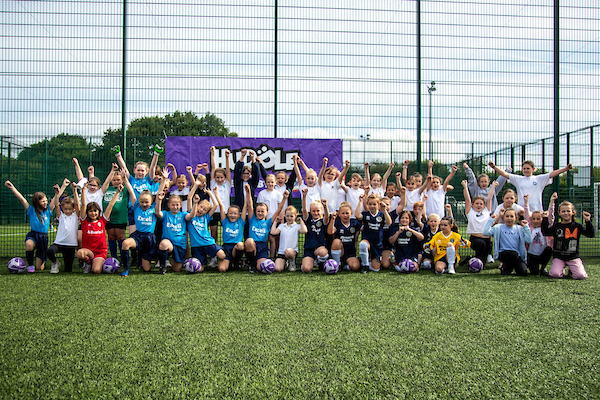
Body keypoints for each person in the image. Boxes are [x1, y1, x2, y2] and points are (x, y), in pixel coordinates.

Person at [119, 169, 168, 276]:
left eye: (146, 202)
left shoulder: (154, 208)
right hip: (138, 236)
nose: (144, 204)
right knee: (125, 243)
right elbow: (131, 191)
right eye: (142, 202)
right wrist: (124, 179)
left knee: (146, 269)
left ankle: (156, 264)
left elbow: (159, 193)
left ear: (151, 202)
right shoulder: (136, 207)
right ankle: (126, 269)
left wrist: (164, 179)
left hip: (150, 238)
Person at [489, 160, 573, 213]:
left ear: (533, 169)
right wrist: (494, 167)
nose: (526, 170)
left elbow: (552, 174)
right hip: (521, 210)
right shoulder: (518, 179)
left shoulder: (539, 179)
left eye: (528, 168)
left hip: (537, 210)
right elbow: (505, 174)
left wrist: (565, 169)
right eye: (524, 168)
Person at [5, 180, 52, 272]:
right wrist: (12, 187)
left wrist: (63, 186)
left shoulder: (48, 210)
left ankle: (42, 262)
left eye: (46, 200)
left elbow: (56, 197)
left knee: (39, 268)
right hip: (33, 234)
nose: (45, 203)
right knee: (29, 244)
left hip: (43, 238)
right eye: (43, 201)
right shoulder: (31, 210)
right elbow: (22, 199)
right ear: (37, 202)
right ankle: (30, 265)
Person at [541, 200, 594, 280]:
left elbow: (590, 234)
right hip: (559, 256)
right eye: (563, 211)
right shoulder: (557, 226)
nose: (566, 213)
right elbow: (546, 232)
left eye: (568, 211)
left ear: (572, 212)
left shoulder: (577, 226)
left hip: (573, 256)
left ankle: (571, 270)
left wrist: (588, 221)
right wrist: (545, 219)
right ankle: (561, 268)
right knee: (555, 274)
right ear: (559, 213)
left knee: (581, 276)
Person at [77, 182, 122, 274]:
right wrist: (83, 190)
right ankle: (88, 263)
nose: (93, 213)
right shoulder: (84, 221)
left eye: (95, 211)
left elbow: (110, 206)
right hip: (88, 251)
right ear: (87, 212)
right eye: (90, 211)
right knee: (79, 253)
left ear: (98, 212)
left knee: (97, 271)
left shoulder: (102, 221)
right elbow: (83, 205)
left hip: (100, 252)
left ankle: (97, 263)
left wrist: (117, 192)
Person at [244, 189, 288, 273]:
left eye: (262, 211)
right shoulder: (252, 219)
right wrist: (248, 192)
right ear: (255, 212)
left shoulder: (268, 222)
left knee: (261, 268)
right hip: (252, 246)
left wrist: (284, 198)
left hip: (262, 247)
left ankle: (256, 264)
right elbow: (250, 205)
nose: (260, 213)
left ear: (267, 212)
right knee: (249, 241)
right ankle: (251, 264)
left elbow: (279, 210)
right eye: (258, 211)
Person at [186, 182, 227, 272]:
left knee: (222, 255)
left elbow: (216, 205)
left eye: (204, 209)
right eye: (201, 207)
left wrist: (210, 193)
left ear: (206, 212)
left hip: (208, 243)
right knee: (200, 269)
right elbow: (189, 198)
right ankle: (195, 263)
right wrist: (196, 186)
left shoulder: (205, 217)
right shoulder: (191, 214)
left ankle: (217, 263)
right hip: (196, 246)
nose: (201, 210)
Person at [483, 209, 532, 276]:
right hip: (503, 253)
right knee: (512, 254)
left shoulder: (520, 228)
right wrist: (491, 220)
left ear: (516, 218)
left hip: (517, 255)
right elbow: (485, 232)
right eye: (507, 216)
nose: (509, 218)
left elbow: (529, 240)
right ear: (503, 217)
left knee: (523, 272)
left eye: (512, 216)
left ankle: (508, 268)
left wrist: (526, 227)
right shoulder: (498, 227)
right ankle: (506, 268)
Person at [155, 191, 194, 274]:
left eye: (177, 205)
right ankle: (162, 266)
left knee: (176, 269)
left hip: (180, 244)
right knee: (163, 244)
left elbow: (191, 216)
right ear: (169, 205)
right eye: (173, 205)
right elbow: (158, 213)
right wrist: (159, 200)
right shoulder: (166, 214)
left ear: (180, 205)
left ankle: (173, 260)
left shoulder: (183, 215)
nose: (175, 207)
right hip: (169, 243)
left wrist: (196, 203)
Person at [214, 185, 250, 272]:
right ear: (227, 213)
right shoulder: (225, 221)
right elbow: (221, 206)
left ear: (238, 215)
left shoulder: (240, 222)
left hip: (237, 247)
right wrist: (216, 193)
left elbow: (245, 207)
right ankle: (229, 263)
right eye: (230, 213)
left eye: (235, 213)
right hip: (226, 247)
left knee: (241, 245)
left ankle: (236, 262)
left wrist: (248, 193)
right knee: (222, 269)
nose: (232, 215)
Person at [47, 179, 79, 273]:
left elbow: (77, 204)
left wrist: (74, 191)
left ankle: (64, 265)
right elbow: (56, 205)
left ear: (73, 209)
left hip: (71, 245)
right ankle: (55, 262)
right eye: (65, 209)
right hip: (59, 243)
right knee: (49, 251)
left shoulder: (76, 216)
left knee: (68, 270)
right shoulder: (61, 216)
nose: (68, 211)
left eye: (70, 209)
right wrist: (57, 194)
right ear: (63, 208)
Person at [355, 193, 393, 273]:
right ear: (367, 204)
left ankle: (365, 261)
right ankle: (365, 265)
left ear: (378, 205)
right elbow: (357, 215)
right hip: (367, 240)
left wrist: (385, 209)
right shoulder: (366, 214)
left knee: (376, 269)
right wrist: (360, 201)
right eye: (370, 204)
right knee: (363, 244)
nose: (372, 206)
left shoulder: (381, 215)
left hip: (377, 244)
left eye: (374, 204)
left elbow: (389, 222)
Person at [461, 179, 496, 266]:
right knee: (481, 244)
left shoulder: (486, 211)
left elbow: (489, 199)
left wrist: (493, 186)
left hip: (486, 238)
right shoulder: (470, 212)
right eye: (477, 203)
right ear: (473, 204)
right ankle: (474, 261)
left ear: (484, 205)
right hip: (475, 239)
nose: (479, 205)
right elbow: (467, 200)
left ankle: (471, 259)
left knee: (483, 262)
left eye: (481, 204)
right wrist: (465, 187)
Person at [523, 192, 555, 276]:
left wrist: (552, 202)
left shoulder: (546, 227)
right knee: (534, 273)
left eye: (538, 218)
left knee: (549, 249)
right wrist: (526, 202)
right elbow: (526, 214)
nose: (536, 221)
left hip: (542, 254)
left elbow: (551, 217)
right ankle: (531, 265)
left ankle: (543, 267)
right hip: (532, 255)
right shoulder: (531, 227)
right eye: (533, 219)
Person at [102, 165, 129, 260]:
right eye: (114, 180)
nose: (116, 182)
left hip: (120, 219)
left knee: (120, 237)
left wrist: (125, 178)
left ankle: (123, 258)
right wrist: (112, 171)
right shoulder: (107, 189)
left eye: (118, 179)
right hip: (109, 218)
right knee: (111, 237)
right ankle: (114, 257)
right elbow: (105, 183)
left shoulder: (124, 190)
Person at [300, 190, 330, 273]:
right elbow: (304, 209)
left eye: (318, 211)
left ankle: (320, 262)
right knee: (306, 269)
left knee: (323, 252)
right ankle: (311, 262)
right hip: (309, 248)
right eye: (313, 211)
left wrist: (325, 206)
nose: (316, 213)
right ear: (310, 211)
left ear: (321, 211)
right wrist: (304, 196)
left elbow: (327, 216)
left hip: (320, 247)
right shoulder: (308, 219)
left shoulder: (322, 220)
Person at [271, 205, 307, 272]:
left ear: (295, 216)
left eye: (291, 216)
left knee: (289, 252)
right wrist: (275, 222)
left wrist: (301, 221)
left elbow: (304, 231)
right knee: (277, 269)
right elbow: (273, 232)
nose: (289, 218)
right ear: (285, 216)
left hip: (292, 252)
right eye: (287, 216)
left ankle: (292, 262)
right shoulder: (282, 226)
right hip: (282, 252)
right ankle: (285, 263)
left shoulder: (297, 226)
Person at [328, 202, 362, 272]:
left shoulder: (355, 223)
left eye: (347, 213)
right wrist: (332, 219)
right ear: (339, 214)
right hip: (340, 251)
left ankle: (345, 266)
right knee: (336, 241)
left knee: (355, 266)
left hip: (350, 252)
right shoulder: (337, 223)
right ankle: (338, 264)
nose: (345, 215)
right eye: (343, 213)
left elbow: (364, 227)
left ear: (351, 214)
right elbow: (330, 232)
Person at [257, 173, 283, 258]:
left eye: (272, 182)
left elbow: (280, 207)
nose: (270, 184)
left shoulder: (278, 194)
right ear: (265, 183)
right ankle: (264, 255)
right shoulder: (262, 193)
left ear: (275, 182)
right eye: (268, 182)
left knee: (273, 239)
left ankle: (272, 257)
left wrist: (281, 220)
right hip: (265, 220)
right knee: (266, 239)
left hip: (275, 220)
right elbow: (259, 207)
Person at [209, 146, 232, 242]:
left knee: (226, 232)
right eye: (217, 177)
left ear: (224, 177)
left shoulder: (227, 183)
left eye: (221, 177)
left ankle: (225, 250)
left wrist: (227, 158)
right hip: (214, 211)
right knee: (213, 233)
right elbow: (213, 167)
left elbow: (228, 170)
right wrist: (212, 154)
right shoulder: (213, 183)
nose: (219, 179)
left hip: (225, 211)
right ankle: (214, 255)